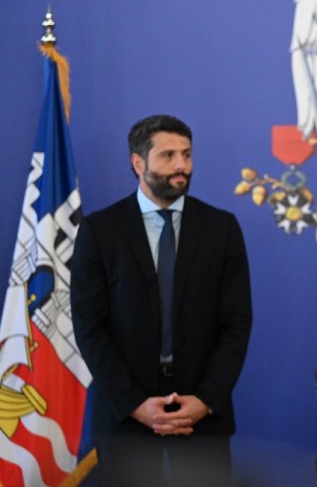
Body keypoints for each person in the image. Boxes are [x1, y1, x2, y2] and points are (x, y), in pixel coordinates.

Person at [71, 115, 253, 487]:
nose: (181, 165)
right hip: (125, 414)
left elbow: (236, 324)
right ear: (138, 163)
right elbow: (90, 328)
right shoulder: (100, 231)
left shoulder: (222, 229)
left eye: (186, 154)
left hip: (202, 414)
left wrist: (205, 400)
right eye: (168, 155)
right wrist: (134, 404)